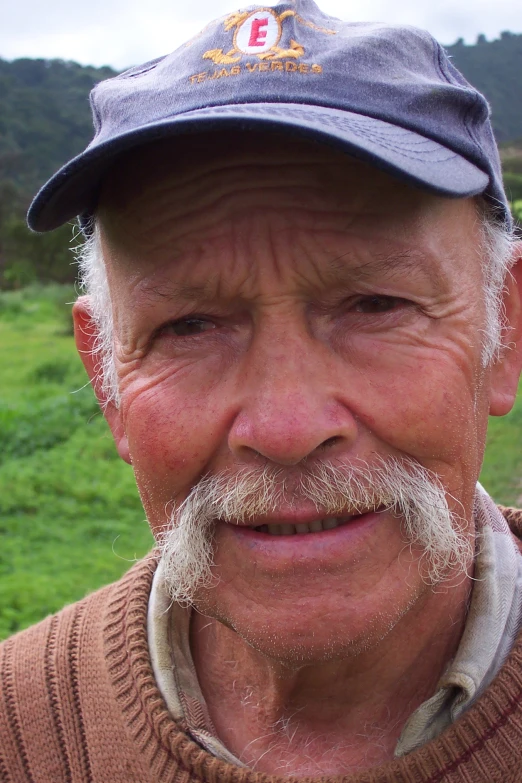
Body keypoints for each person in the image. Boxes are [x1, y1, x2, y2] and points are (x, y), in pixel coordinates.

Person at [1, 1, 522, 780]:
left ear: (504, 334)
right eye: (189, 326)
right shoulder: (20, 733)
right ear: (108, 379)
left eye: (376, 305)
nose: (285, 426)